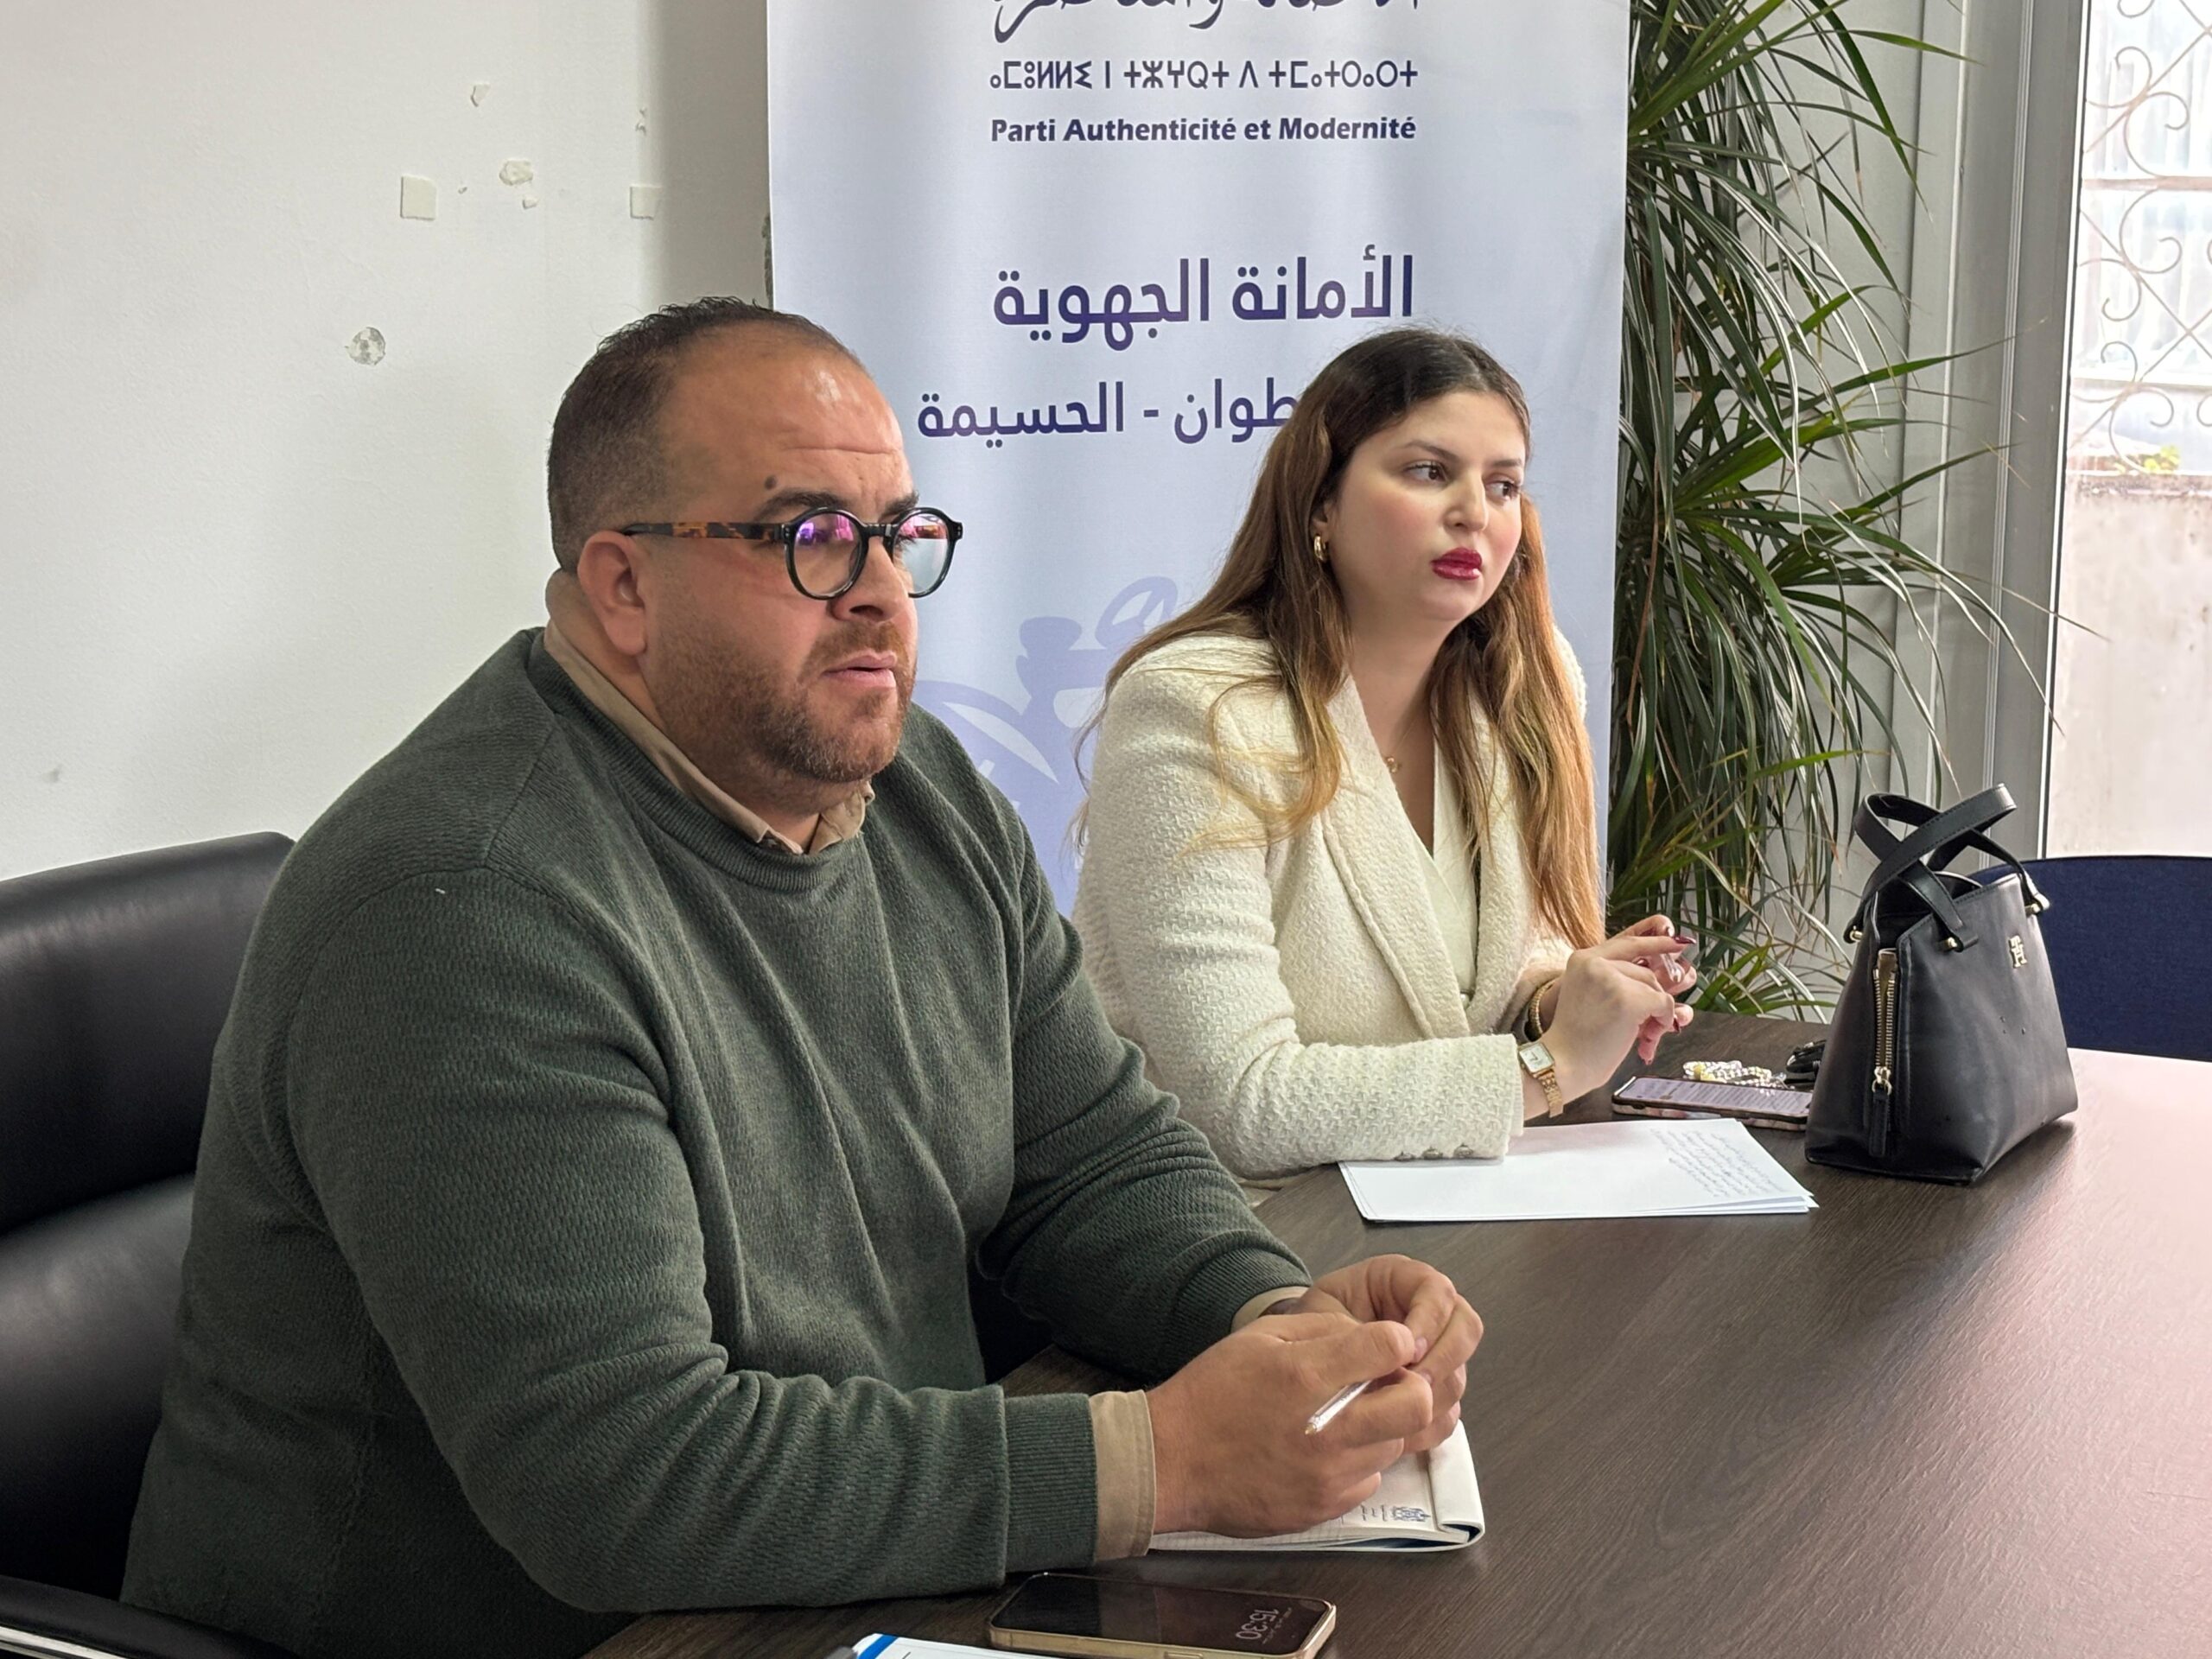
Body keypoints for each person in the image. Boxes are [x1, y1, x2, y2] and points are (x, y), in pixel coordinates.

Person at [120, 301, 1482, 1659]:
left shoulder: (917, 789)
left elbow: (1090, 1157)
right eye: (812, 538)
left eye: (897, 532)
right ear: (624, 586)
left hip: (851, 1582)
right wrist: (1162, 1460)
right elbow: (622, 1478)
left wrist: (1271, 1319)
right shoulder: (468, 905)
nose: (881, 589)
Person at [1074, 328, 1696, 1181]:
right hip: (1226, 1219)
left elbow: (1492, 977)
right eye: (1428, 472)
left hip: (1446, 1196)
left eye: (1503, 484)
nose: (1475, 512)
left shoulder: (1532, 681)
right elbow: (1237, 1103)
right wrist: (1546, 1068)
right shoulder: (1196, 707)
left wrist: (1565, 1001)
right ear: (1320, 505)